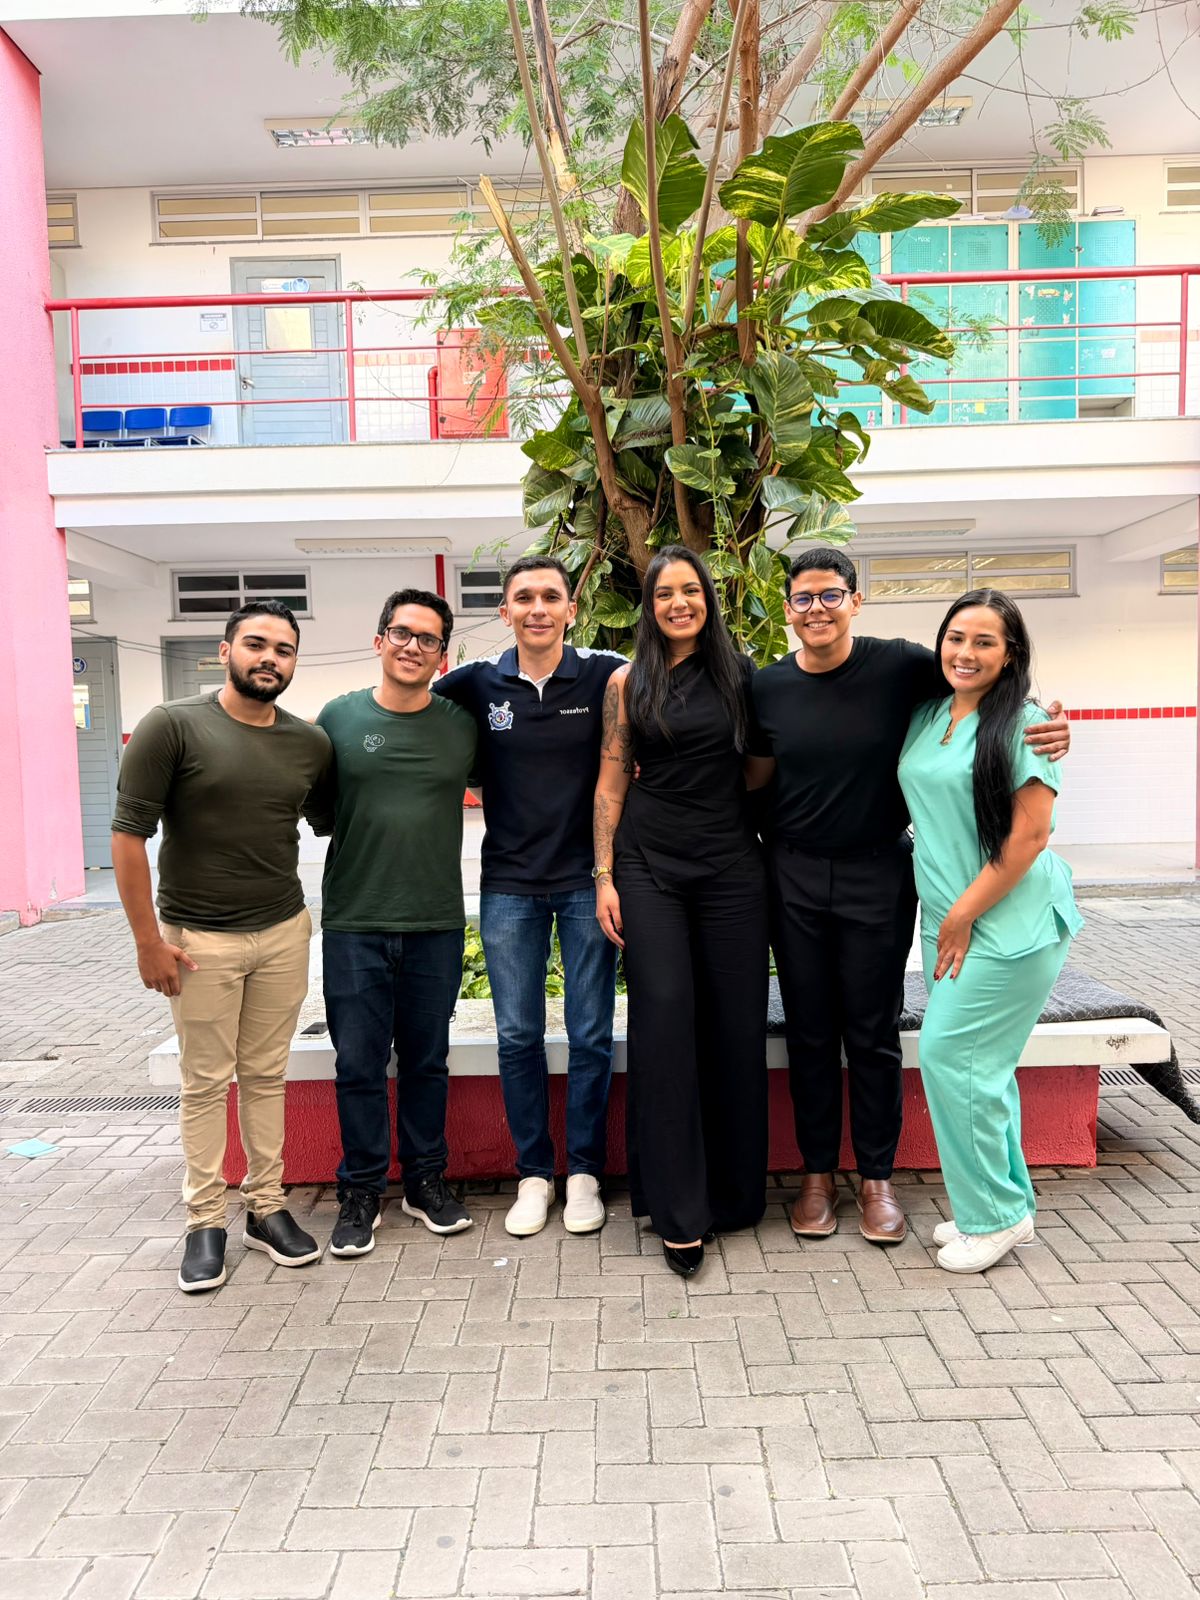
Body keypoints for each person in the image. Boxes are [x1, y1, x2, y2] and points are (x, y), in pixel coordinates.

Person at [750, 548, 1069, 1245]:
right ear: (788, 609)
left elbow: (990, 685)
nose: (817, 609)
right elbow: (753, 776)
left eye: (831, 595)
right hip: (794, 875)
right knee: (809, 1031)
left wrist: (1051, 721)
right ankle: (815, 1177)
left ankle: (876, 1179)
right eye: (803, 598)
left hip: (879, 876)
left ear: (855, 601)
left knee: (873, 1032)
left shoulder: (901, 665)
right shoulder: (767, 687)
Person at [111, 601, 332, 1294]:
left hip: (283, 931)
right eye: (256, 644)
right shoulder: (172, 725)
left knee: (267, 1076)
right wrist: (148, 942)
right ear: (225, 650)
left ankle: (266, 1208)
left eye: (284, 650)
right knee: (205, 1083)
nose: (270, 658)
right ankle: (205, 1221)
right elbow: (127, 836)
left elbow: (331, 818)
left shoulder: (308, 743)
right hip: (197, 939)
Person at [593, 547, 773, 1277]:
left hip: (731, 867)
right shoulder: (626, 682)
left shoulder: (742, 676)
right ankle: (678, 1210)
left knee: (734, 1025)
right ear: (650, 605)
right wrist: (604, 875)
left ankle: (732, 1196)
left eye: (690, 590)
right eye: (665, 593)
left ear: (708, 598)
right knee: (665, 1019)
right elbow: (610, 784)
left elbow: (760, 768)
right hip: (648, 868)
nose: (678, 603)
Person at [435, 556, 623, 1237]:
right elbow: (412, 707)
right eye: (523, 598)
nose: (537, 608)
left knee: (591, 1033)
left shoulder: (606, 674)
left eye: (550, 596)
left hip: (585, 883)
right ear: (505, 611)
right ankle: (534, 1175)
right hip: (509, 885)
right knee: (518, 1035)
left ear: (572, 609)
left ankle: (584, 1173)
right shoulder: (475, 683)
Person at [898, 589, 1083, 1273]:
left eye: (984, 641)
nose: (966, 652)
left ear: (1011, 655)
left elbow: (1031, 835)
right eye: (956, 637)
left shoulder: (1026, 723)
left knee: (952, 1058)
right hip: (950, 920)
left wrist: (961, 914)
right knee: (983, 1067)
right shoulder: (929, 713)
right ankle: (1007, 1206)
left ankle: (992, 1218)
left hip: (1007, 923)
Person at [315, 589, 478, 1254]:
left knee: (426, 1061)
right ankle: (360, 1190)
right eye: (402, 633)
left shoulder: (460, 724)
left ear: (443, 655)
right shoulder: (339, 718)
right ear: (379, 639)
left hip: (435, 921)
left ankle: (424, 1182)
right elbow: (320, 809)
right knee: (357, 1063)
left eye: (428, 639)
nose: (413, 646)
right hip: (355, 920)